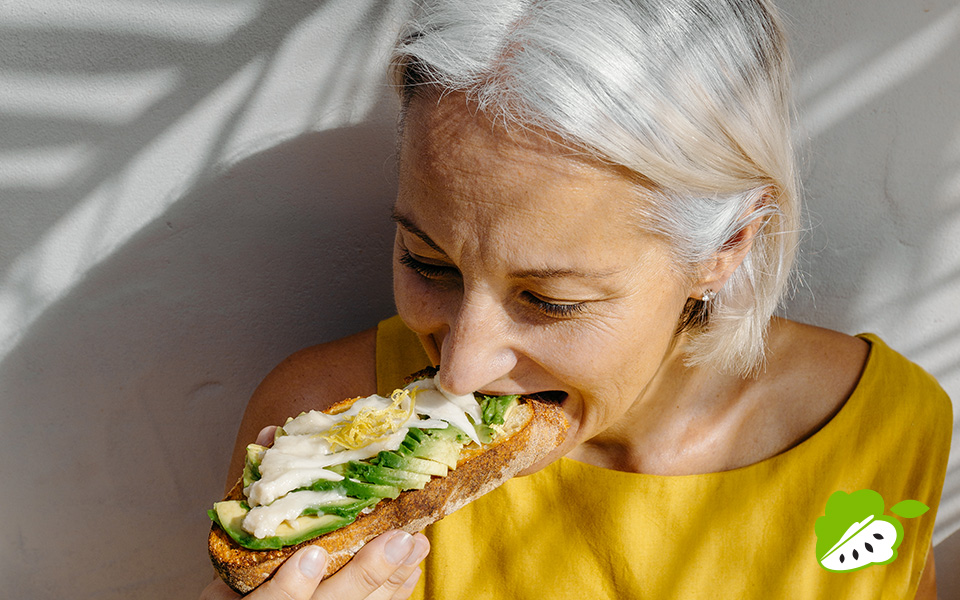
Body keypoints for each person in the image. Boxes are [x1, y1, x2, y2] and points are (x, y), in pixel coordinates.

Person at [201, 0, 951, 598]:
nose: (461, 370)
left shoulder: (888, 431)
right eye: (428, 264)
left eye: (550, 300)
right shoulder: (309, 429)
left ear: (727, 247)